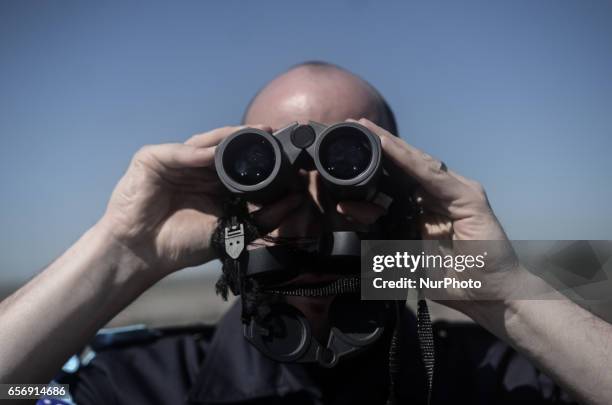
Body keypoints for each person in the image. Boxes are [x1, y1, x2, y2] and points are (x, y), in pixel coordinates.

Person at [0, 62, 611, 405]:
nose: (312, 215)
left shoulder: (497, 382)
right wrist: (123, 251)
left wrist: (494, 291)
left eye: (347, 171)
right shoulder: (140, 384)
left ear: (400, 189)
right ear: (231, 198)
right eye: (270, 181)